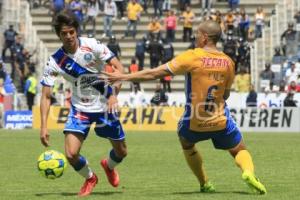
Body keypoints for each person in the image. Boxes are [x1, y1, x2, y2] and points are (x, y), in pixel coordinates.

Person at [103, 20, 267, 194]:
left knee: (186, 142)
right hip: (220, 120)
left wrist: (124, 76)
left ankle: (205, 183)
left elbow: (155, 73)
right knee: (239, 149)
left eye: (197, 33)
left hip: (195, 121)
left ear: (204, 37)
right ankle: (248, 172)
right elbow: (226, 95)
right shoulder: (228, 62)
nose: (195, 36)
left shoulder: (192, 56)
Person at [39, 11, 127, 197]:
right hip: (80, 109)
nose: (69, 36)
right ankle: (90, 177)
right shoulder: (55, 61)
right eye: (64, 33)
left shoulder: (92, 45)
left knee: (121, 152)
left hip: (104, 106)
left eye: (72, 32)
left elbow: (119, 69)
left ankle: (109, 166)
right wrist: (44, 126)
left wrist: (114, 95)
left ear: (76, 31)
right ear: (59, 35)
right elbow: (46, 96)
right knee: (70, 154)